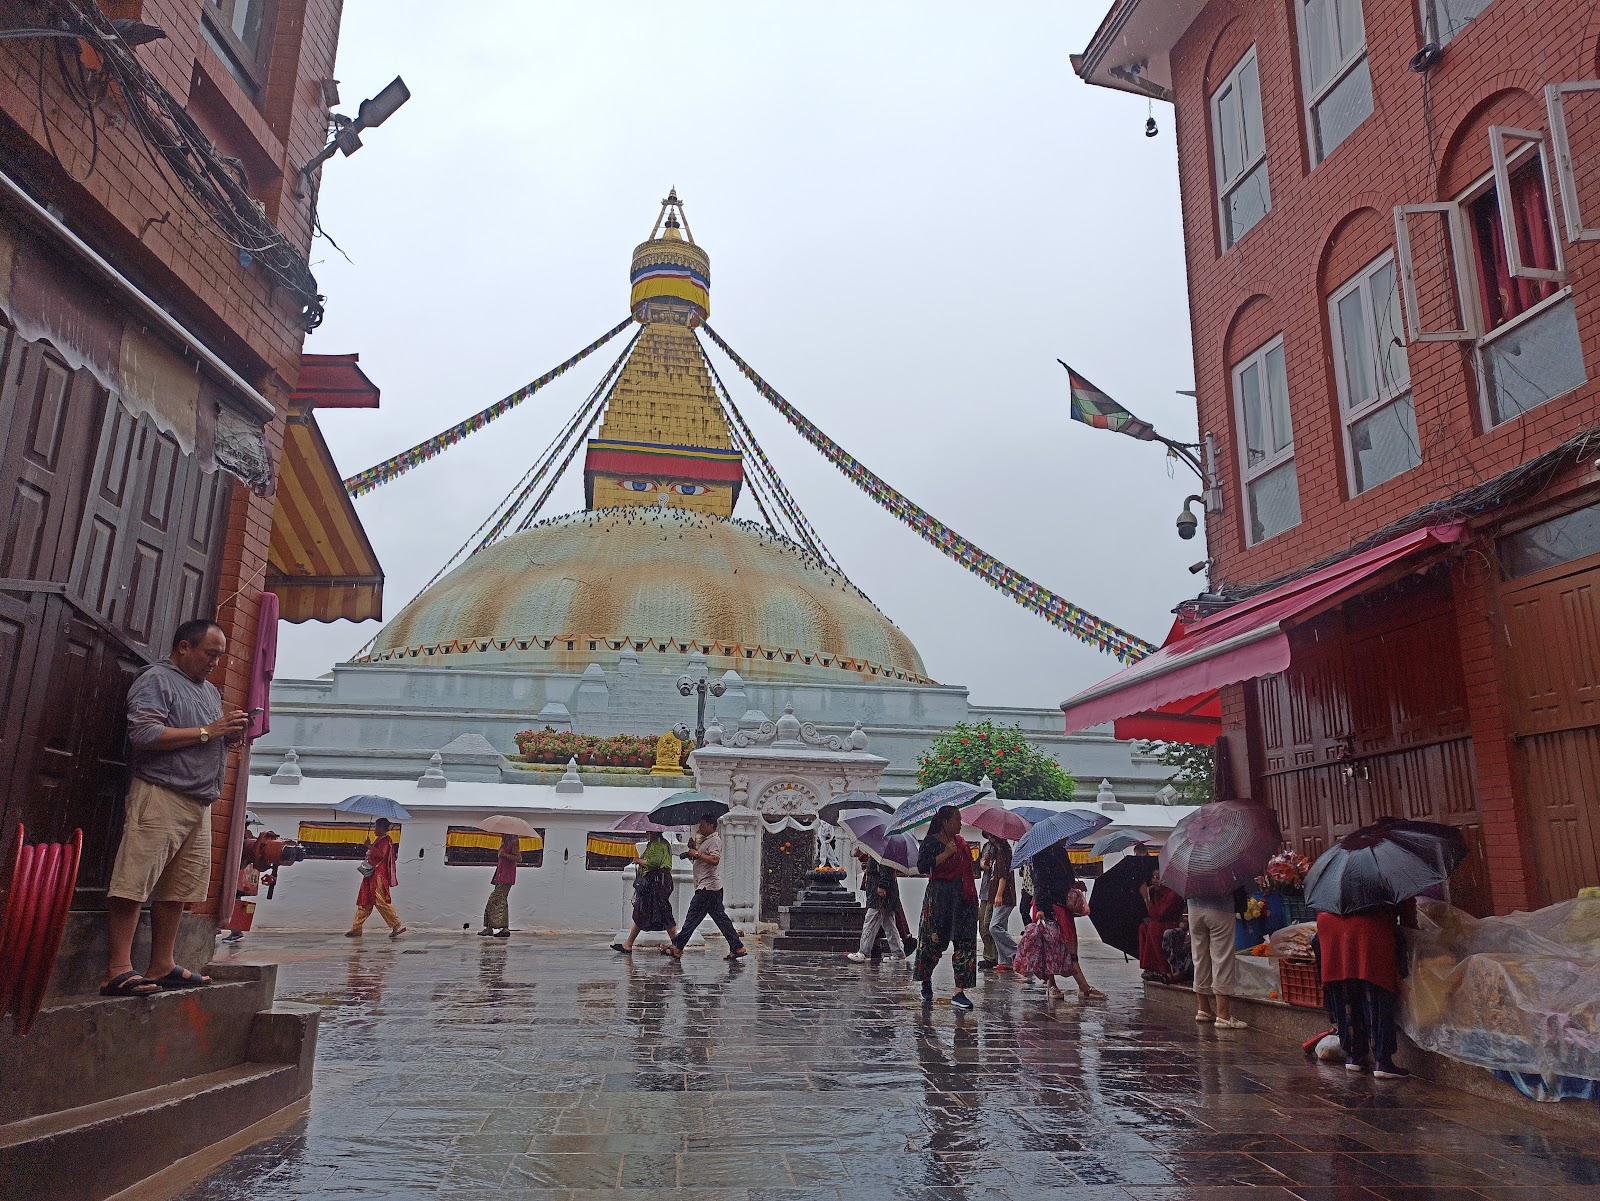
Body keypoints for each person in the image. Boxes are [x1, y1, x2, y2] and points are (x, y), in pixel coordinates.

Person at [102, 619, 249, 998]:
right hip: (160, 793)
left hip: (199, 801)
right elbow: (145, 734)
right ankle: (117, 968)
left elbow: (207, 736)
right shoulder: (157, 679)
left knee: (177, 888)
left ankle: (162, 963)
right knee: (135, 881)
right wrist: (209, 732)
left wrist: (226, 736)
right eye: (209, 654)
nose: (215, 662)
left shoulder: (209, 693)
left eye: (219, 656)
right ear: (184, 647)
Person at [1316, 902, 1410, 1078]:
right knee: (1375, 998)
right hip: (1369, 932)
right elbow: (1406, 909)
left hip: (1331, 930)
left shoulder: (1332, 878)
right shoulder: (1384, 876)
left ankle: (1354, 1057)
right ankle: (1382, 1061)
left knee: (1346, 998)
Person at [912, 805, 979, 1011]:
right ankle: (926, 981)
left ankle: (959, 992)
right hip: (939, 897)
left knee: (965, 943)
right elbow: (923, 866)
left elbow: (970, 869)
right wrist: (945, 854)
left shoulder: (961, 843)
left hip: (963, 897)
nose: (960, 823)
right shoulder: (931, 842)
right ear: (945, 822)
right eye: (957, 820)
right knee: (933, 942)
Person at [1023, 841, 1104, 1001]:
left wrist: (1075, 885)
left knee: (1069, 946)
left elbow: (1066, 878)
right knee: (1049, 948)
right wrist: (1040, 908)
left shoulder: (1061, 852)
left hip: (1062, 905)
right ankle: (1055, 985)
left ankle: (1082, 986)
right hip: (1047, 907)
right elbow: (1039, 884)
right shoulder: (1041, 855)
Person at [667, 816, 746, 960]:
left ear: (711, 825)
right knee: (721, 920)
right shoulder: (707, 841)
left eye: (702, 825)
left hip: (707, 888)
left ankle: (677, 947)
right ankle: (737, 946)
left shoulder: (715, 841)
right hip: (709, 888)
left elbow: (715, 860)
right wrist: (693, 850)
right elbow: (703, 860)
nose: (700, 828)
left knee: (692, 918)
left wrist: (697, 853)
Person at [1188, 887, 1246, 1028]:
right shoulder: (1224, 864)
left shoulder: (1190, 864)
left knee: (1199, 957)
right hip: (1221, 907)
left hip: (1194, 907)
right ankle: (1223, 1015)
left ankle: (1204, 1009)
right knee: (1222, 958)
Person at [613, 831, 680, 952]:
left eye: (648, 831)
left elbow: (653, 863)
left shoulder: (658, 844)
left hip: (657, 881)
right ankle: (628, 943)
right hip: (655, 881)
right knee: (641, 910)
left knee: (664, 912)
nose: (646, 833)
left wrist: (638, 860)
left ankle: (677, 945)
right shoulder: (655, 844)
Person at [346, 817, 406, 938]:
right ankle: (356, 928)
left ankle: (396, 924)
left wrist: (370, 847)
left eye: (377, 827)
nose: (375, 829)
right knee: (365, 902)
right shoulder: (380, 840)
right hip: (372, 874)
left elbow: (380, 855)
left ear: (382, 828)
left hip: (378, 875)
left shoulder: (385, 840)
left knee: (380, 901)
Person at [848, 847, 906, 963]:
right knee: (889, 923)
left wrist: (882, 885)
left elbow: (886, 870)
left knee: (871, 921)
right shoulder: (878, 851)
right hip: (884, 893)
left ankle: (863, 952)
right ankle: (898, 953)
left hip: (879, 894)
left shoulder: (881, 850)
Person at [1137, 870, 1185, 979]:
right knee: (1143, 927)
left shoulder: (1172, 893)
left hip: (1173, 923)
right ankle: (1150, 966)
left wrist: (1147, 898)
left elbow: (1159, 915)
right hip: (1162, 922)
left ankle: (1164, 968)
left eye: (1158, 878)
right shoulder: (1157, 892)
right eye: (1153, 877)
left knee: (1154, 926)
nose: (1154, 881)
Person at [479, 834, 520, 938]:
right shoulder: (504, 843)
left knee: (493, 900)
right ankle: (497, 928)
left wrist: (504, 854)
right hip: (500, 875)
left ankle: (495, 928)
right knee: (500, 901)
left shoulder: (513, 843)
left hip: (506, 877)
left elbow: (518, 858)